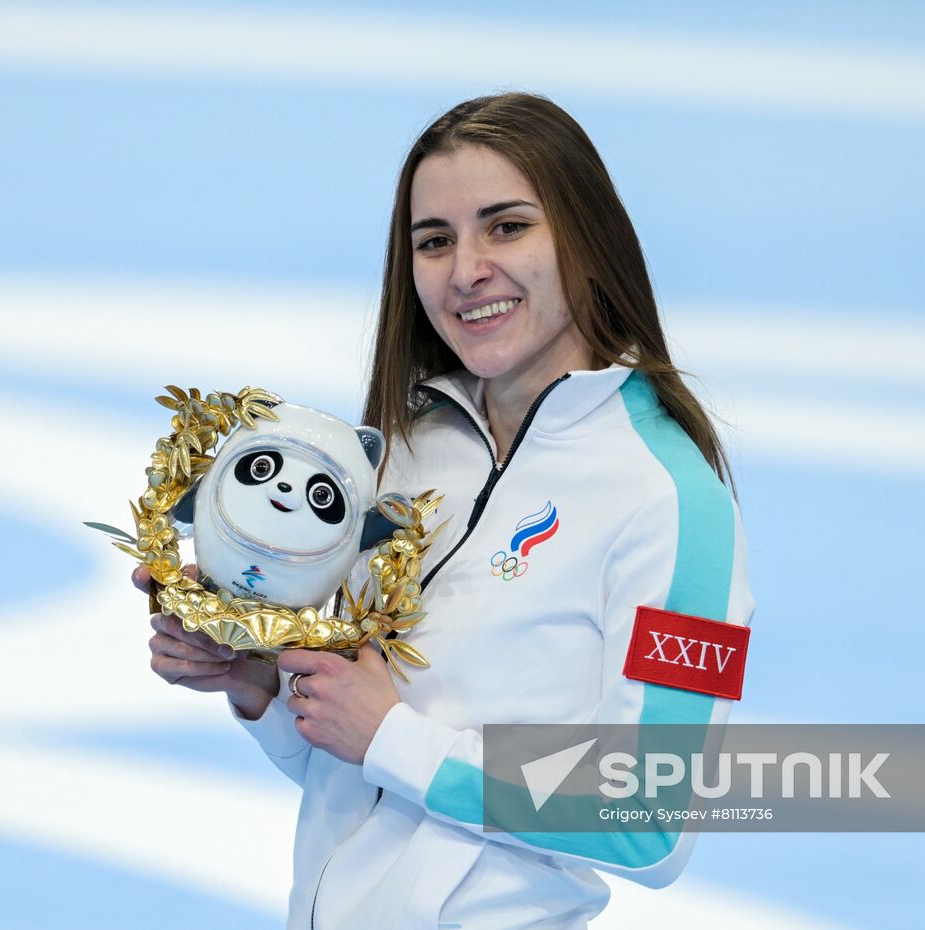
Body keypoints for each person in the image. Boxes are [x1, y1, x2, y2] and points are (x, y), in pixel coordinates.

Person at [141, 92, 754, 930]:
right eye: (435, 241)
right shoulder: (408, 453)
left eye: (506, 227)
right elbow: (357, 771)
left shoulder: (672, 502)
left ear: (585, 236)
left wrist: (391, 737)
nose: (466, 270)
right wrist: (257, 681)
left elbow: (653, 821)